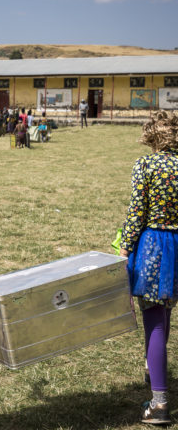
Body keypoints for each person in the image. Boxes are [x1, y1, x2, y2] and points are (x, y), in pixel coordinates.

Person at [119, 110, 178, 425]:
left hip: (154, 244)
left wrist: (126, 245)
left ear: (152, 136)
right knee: (165, 311)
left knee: (154, 319)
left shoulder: (146, 164)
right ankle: (151, 367)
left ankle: (159, 403)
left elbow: (136, 211)